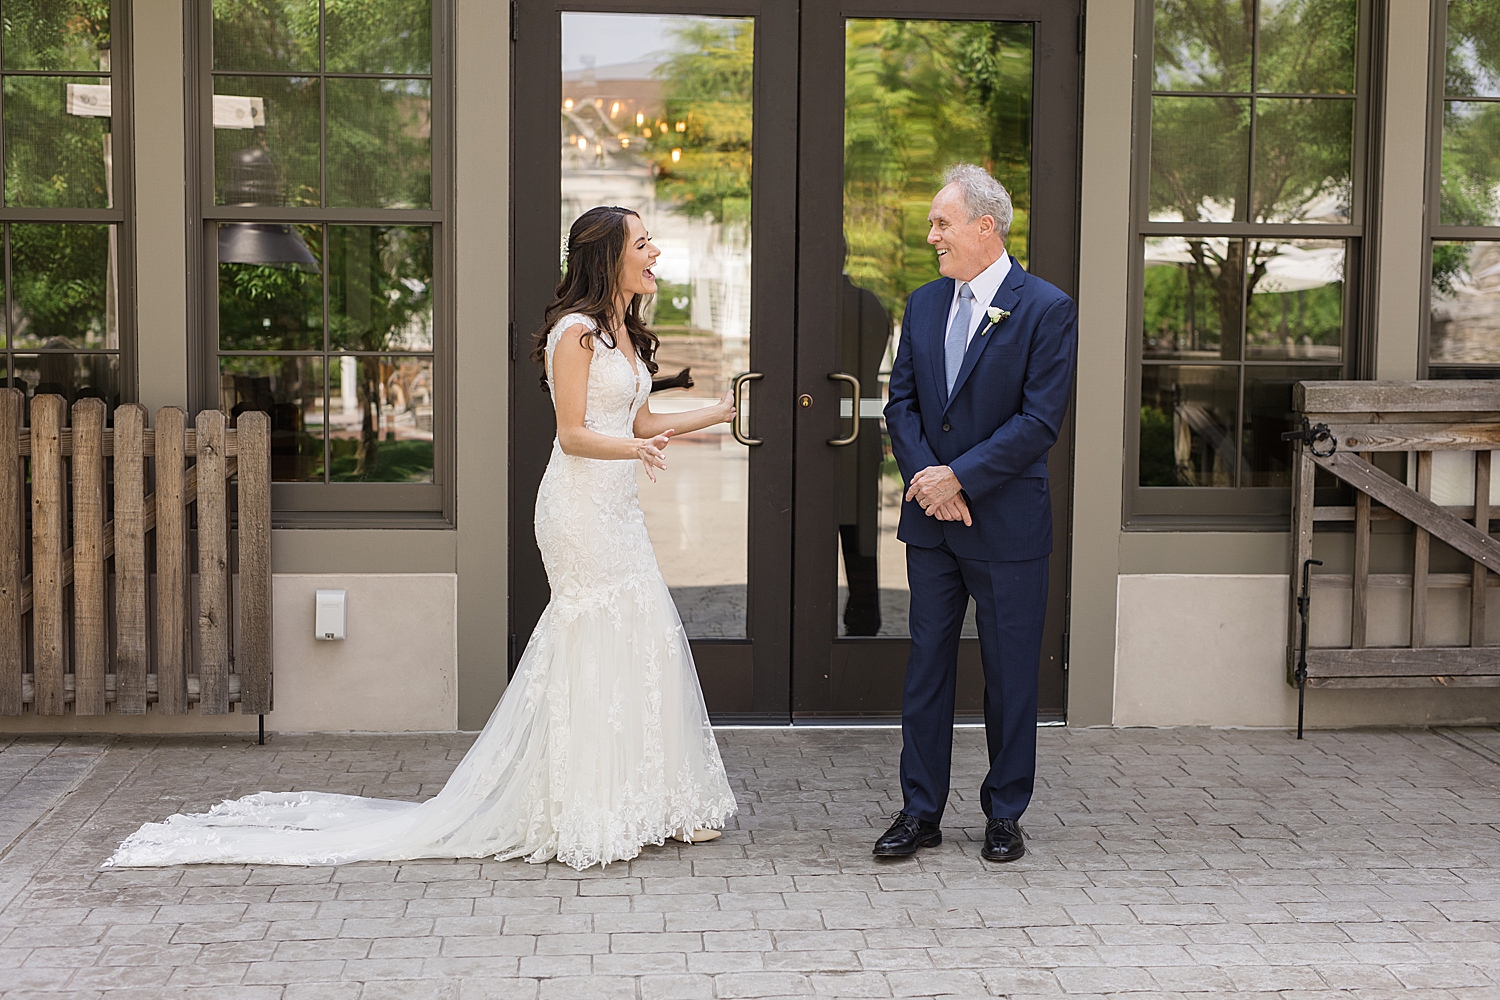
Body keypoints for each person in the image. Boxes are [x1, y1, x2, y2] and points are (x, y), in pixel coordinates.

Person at [105, 205, 739, 871]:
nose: (656, 252)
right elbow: (575, 435)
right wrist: (634, 454)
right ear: (610, 256)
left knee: (640, 630)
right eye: (644, 243)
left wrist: (716, 413)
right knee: (593, 636)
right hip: (579, 511)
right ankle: (589, 807)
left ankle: (655, 800)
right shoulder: (575, 334)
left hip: (619, 510)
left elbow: (641, 418)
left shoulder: (622, 333)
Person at [874, 164, 1077, 864]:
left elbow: (1039, 421)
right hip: (934, 528)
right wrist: (930, 484)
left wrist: (957, 476)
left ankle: (1005, 812)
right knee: (926, 668)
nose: (932, 235)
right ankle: (919, 811)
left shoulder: (1047, 308)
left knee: (1010, 673)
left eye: (942, 223)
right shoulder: (924, 303)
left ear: (984, 227)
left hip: (1008, 526)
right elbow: (900, 404)